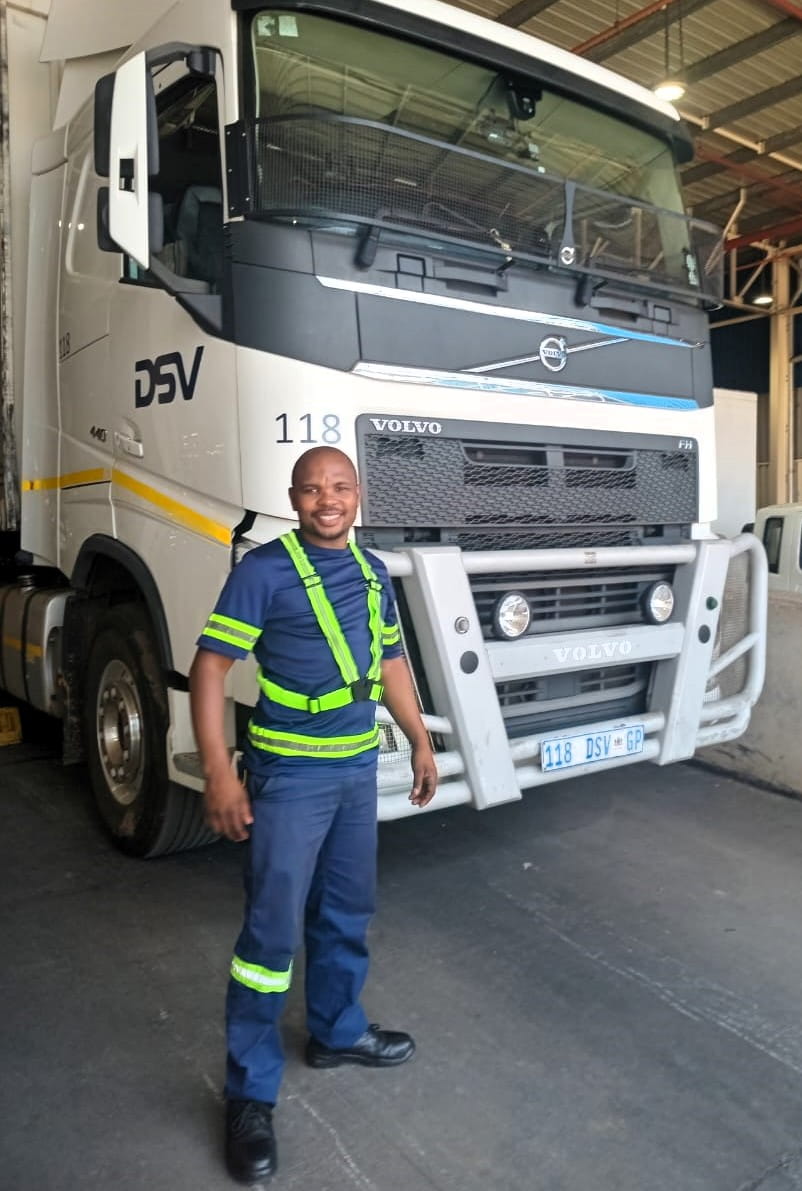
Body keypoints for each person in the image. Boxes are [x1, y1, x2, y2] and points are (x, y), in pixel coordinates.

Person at [189, 446, 437, 1184]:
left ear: (358, 494)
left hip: (357, 767)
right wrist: (216, 773)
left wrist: (421, 738)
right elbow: (210, 667)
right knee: (268, 936)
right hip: (290, 776)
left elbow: (391, 663)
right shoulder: (264, 571)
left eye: (340, 487)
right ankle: (249, 1093)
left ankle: (336, 1030)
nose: (327, 500)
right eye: (312, 489)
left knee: (345, 910)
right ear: (291, 498)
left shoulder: (373, 571)